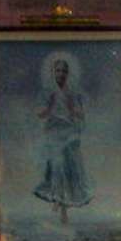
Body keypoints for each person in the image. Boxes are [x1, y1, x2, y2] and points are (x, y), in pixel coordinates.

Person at [33, 57, 93, 224]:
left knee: (68, 168)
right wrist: (51, 106)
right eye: (58, 71)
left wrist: (72, 109)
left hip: (69, 133)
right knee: (56, 167)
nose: (61, 74)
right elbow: (40, 114)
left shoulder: (73, 93)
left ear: (68, 73)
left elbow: (81, 115)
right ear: (53, 72)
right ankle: (58, 199)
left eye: (64, 71)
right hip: (53, 134)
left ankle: (63, 206)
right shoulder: (47, 92)